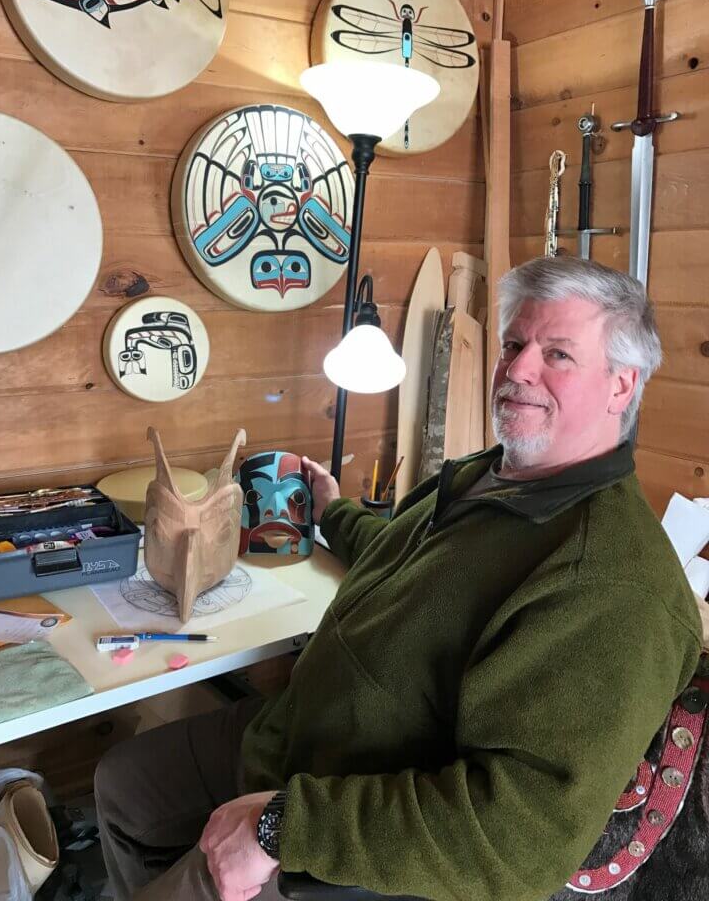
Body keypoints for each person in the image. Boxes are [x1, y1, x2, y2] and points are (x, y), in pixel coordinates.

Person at [95, 256, 702, 901]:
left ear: (621, 386)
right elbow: (409, 561)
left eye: (558, 354)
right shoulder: (485, 476)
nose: (518, 369)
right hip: (294, 733)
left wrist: (279, 829)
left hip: (342, 824)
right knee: (121, 786)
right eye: (515, 345)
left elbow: (514, 841)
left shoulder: (611, 584)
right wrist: (335, 515)